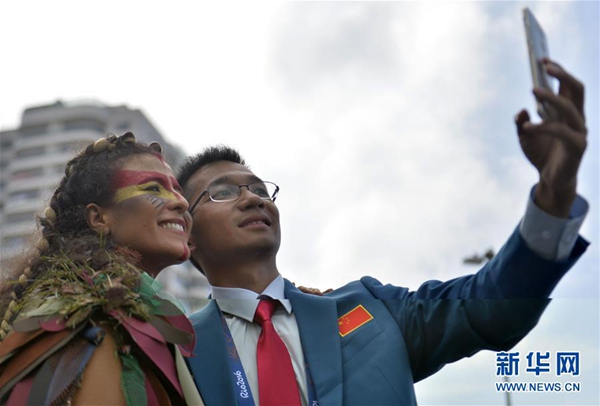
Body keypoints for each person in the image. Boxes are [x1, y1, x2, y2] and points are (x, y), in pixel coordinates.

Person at [176, 58, 589, 405]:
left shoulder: (371, 308)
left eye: (260, 189)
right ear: (188, 237)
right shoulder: (175, 351)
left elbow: (490, 307)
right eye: (224, 193)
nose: (253, 199)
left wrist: (555, 194)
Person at [0, 133, 201, 406]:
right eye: (153, 188)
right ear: (98, 218)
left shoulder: (126, 303)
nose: (182, 202)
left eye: (177, 189)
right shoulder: (91, 312)